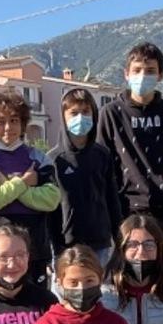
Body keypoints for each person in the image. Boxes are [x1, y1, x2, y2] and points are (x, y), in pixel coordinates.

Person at [97, 42, 163, 240]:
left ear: (160, 75)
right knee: (127, 259)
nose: (142, 76)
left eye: (150, 71)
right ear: (126, 74)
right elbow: (101, 161)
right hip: (123, 207)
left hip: (161, 205)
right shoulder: (111, 113)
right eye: (137, 70)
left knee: (158, 259)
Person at [0, 92, 61, 288]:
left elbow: (52, 199)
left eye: (13, 120)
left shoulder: (40, 158)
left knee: (37, 303)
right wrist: (23, 182)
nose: (8, 127)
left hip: (35, 251)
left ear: (23, 123)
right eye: (0, 122)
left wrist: (8, 186)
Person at [49, 88, 122, 270]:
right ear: (63, 117)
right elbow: (50, 210)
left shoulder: (102, 155)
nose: (80, 117)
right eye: (74, 113)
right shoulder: (53, 160)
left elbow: (112, 199)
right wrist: (54, 247)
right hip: (66, 245)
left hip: (100, 243)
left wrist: (119, 238)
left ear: (94, 114)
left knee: (99, 287)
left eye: (85, 111)